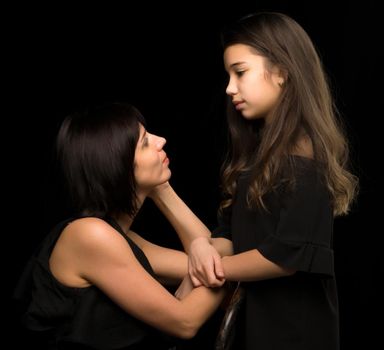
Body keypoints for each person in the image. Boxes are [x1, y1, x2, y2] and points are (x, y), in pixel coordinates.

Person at [151, 12, 359, 350]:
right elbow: (231, 233)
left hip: (297, 333)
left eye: (241, 72)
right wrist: (204, 247)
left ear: (282, 72)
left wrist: (212, 267)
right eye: (228, 75)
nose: (230, 88)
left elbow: (284, 257)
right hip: (256, 324)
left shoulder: (307, 158)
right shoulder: (259, 154)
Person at [13, 102, 225, 350]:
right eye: (145, 142)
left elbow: (206, 260)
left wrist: (163, 190)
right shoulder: (90, 235)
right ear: (118, 165)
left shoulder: (123, 239)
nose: (161, 141)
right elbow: (186, 321)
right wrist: (227, 266)